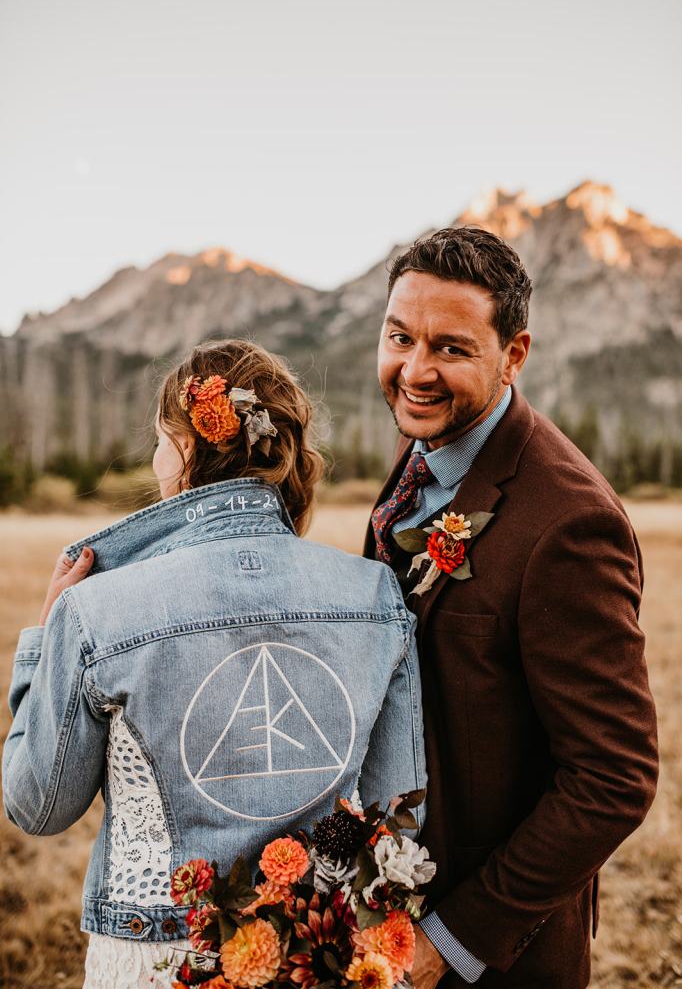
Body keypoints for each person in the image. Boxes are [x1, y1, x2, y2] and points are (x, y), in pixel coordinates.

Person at [3, 339, 426, 989]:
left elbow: (37, 806)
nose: (154, 459)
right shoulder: (374, 595)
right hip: (321, 954)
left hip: (158, 960)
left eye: (158, 441)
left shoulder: (95, 608)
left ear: (184, 448)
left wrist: (43, 638)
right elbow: (400, 812)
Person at [364, 227, 658, 988]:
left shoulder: (570, 522)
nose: (415, 370)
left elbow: (614, 777)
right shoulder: (422, 453)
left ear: (514, 355)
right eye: (400, 337)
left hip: (491, 959)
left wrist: (452, 940)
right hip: (387, 914)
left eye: (451, 348)